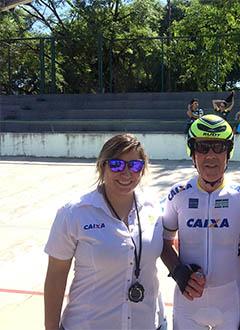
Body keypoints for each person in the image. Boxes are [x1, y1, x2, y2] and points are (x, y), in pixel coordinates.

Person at [44, 134, 166, 330]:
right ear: (102, 166)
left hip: (146, 324)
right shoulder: (74, 213)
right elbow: (56, 276)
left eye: (134, 166)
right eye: (117, 165)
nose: (126, 173)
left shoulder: (154, 209)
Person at [161, 114, 240, 329]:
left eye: (219, 147)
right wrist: (178, 271)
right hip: (188, 301)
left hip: (231, 301)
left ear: (229, 152)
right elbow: (163, 243)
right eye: (203, 147)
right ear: (192, 152)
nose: (211, 156)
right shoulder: (177, 194)